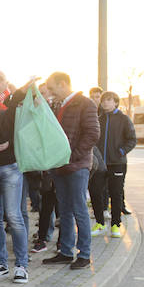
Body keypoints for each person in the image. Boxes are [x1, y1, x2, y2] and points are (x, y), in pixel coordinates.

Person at [42, 71, 100, 270]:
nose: (50, 92)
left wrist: (72, 156)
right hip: (60, 167)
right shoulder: (56, 105)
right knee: (65, 211)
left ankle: (84, 254)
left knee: (79, 210)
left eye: (52, 87)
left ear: (63, 84)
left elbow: (93, 133)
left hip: (76, 166)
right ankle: (66, 252)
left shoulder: (85, 103)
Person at [0, 84, 30, 283]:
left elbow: (22, 129)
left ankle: (21, 266)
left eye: (0, 79)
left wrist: (9, 143)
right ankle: (0, 263)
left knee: (14, 216)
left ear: (5, 83)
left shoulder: (13, 105)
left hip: (11, 167)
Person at [93, 90, 136, 238]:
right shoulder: (98, 119)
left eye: (109, 100)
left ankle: (116, 225)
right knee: (96, 193)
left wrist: (121, 151)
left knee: (116, 195)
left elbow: (132, 139)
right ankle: (99, 224)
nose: (105, 102)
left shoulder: (124, 119)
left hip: (117, 163)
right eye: (104, 100)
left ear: (116, 102)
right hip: (99, 164)